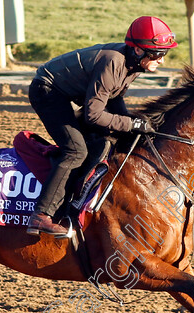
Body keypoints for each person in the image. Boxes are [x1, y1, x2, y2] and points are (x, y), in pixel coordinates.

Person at [26, 16, 178, 238]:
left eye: (164, 54)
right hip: (46, 91)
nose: (161, 60)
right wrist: (131, 123)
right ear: (137, 50)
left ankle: (74, 203)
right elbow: (94, 115)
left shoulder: (134, 64)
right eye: (157, 54)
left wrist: (132, 124)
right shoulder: (113, 62)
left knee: (102, 139)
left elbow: (114, 99)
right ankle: (41, 215)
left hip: (69, 93)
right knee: (76, 150)